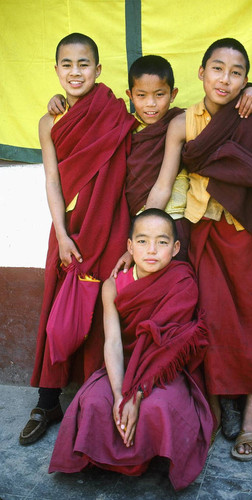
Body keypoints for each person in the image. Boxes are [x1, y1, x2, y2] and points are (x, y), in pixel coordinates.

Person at [146, 38, 252, 461]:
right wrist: (141, 238)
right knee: (208, 320)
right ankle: (212, 408)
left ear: (247, 81)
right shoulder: (183, 123)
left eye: (236, 73)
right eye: (217, 68)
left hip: (250, 237)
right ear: (201, 72)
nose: (224, 79)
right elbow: (162, 184)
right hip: (205, 233)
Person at [19, 33, 136, 445]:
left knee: (103, 314)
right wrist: (62, 232)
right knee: (57, 308)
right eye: (66, 64)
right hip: (68, 230)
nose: (75, 72)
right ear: (56, 71)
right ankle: (47, 400)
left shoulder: (115, 110)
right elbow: (52, 179)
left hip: (111, 225)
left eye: (83, 64)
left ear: (98, 70)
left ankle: (96, 400)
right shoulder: (50, 122)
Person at [48, 209, 213, 490]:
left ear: (175, 249)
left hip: (161, 370)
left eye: (162, 242)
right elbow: (112, 342)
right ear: (129, 246)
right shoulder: (112, 286)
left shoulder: (183, 280)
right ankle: (109, 459)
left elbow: (172, 346)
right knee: (96, 403)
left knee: (156, 405)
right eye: (142, 241)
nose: (151, 250)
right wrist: (118, 395)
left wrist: (136, 394)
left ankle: (149, 457)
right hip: (123, 365)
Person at [48, 55, 252, 265]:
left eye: (159, 95)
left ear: (173, 94)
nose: (151, 104)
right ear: (130, 95)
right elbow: (88, 116)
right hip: (133, 226)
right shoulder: (123, 125)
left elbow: (220, 113)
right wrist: (59, 99)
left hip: (174, 224)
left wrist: (249, 90)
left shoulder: (182, 122)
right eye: (141, 95)